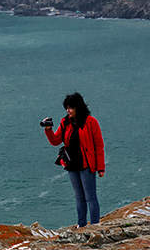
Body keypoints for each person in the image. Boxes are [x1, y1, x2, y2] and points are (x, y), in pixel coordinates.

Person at [42, 92, 105, 227]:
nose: (68, 110)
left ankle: (95, 225)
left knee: (90, 197)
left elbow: (99, 146)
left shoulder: (91, 122)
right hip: (72, 165)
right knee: (79, 198)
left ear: (78, 107)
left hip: (87, 165)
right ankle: (81, 225)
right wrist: (48, 129)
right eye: (66, 107)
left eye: (70, 107)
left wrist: (101, 167)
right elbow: (55, 141)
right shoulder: (65, 122)